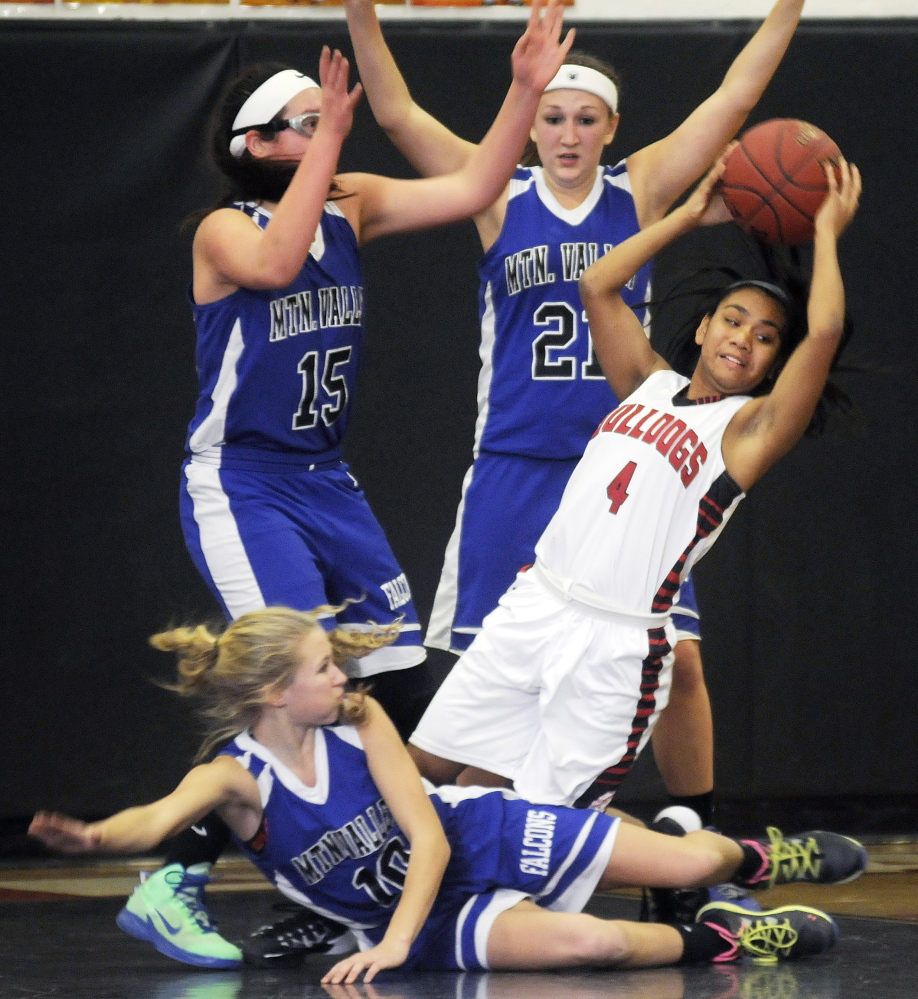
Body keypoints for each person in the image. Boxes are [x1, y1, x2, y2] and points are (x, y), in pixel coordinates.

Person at [128, 2, 576, 970]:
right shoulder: (224, 228)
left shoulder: (354, 201)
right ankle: (174, 876)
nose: (326, 126)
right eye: (302, 120)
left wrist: (526, 88)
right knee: (288, 677)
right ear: (258, 145)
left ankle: (344, 887)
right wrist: (332, 137)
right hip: (242, 483)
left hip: (326, 479)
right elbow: (278, 262)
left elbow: (477, 185)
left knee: (395, 677)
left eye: (323, 117)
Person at [343, 0, 807, 822]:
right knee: (477, 670)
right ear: (530, 127)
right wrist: (360, 14)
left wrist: (790, 7)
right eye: (552, 116)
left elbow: (733, 99)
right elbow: (396, 112)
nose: (566, 133)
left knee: (683, 661)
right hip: (514, 466)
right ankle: (450, 834)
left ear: (611, 127)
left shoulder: (644, 185)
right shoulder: (494, 191)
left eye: (585, 118)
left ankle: (693, 828)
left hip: (632, 472)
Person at [29, 606, 867, 981]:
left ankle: (756, 855)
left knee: (683, 856)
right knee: (595, 949)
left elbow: (428, 838)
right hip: (424, 917)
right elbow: (158, 815)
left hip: (471, 841)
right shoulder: (237, 776)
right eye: (323, 666)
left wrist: (388, 948)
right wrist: (100, 837)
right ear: (277, 693)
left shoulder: (360, 720)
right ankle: (719, 939)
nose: (341, 672)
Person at [409, 153, 861, 816]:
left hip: (617, 642)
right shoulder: (646, 381)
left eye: (765, 338)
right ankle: (692, 852)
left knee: (542, 824)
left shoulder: (747, 431)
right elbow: (598, 284)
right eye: (733, 320)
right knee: (430, 772)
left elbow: (823, 332)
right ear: (703, 328)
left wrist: (823, 232)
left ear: (772, 366)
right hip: (536, 604)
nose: (744, 339)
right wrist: (686, 218)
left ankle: (716, 863)